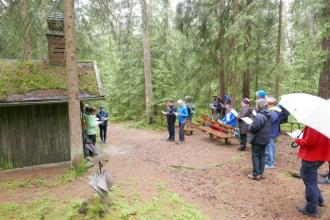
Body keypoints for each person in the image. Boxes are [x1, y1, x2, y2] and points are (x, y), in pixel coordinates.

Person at [294, 126, 330, 218]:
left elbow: (309, 142)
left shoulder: (314, 125)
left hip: (311, 156)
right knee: (312, 180)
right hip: (321, 155)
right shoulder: (325, 122)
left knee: (310, 182)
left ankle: (311, 209)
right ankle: (318, 200)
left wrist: (297, 140)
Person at [248, 99, 272, 180]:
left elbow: (254, 128)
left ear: (259, 106)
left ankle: (256, 174)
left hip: (258, 139)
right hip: (265, 138)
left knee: (255, 156)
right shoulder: (269, 114)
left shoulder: (259, 116)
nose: (255, 106)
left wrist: (250, 125)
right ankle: (261, 173)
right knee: (262, 156)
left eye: (256, 105)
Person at [265, 97, 281, 169]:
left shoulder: (273, 112)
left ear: (269, 104)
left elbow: (270, 122)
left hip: (270, 132)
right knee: (271, 147)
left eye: (267, 103)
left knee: (269, 148)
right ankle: (272, 161)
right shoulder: (274, 111)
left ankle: (270, 163)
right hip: (272, 132)